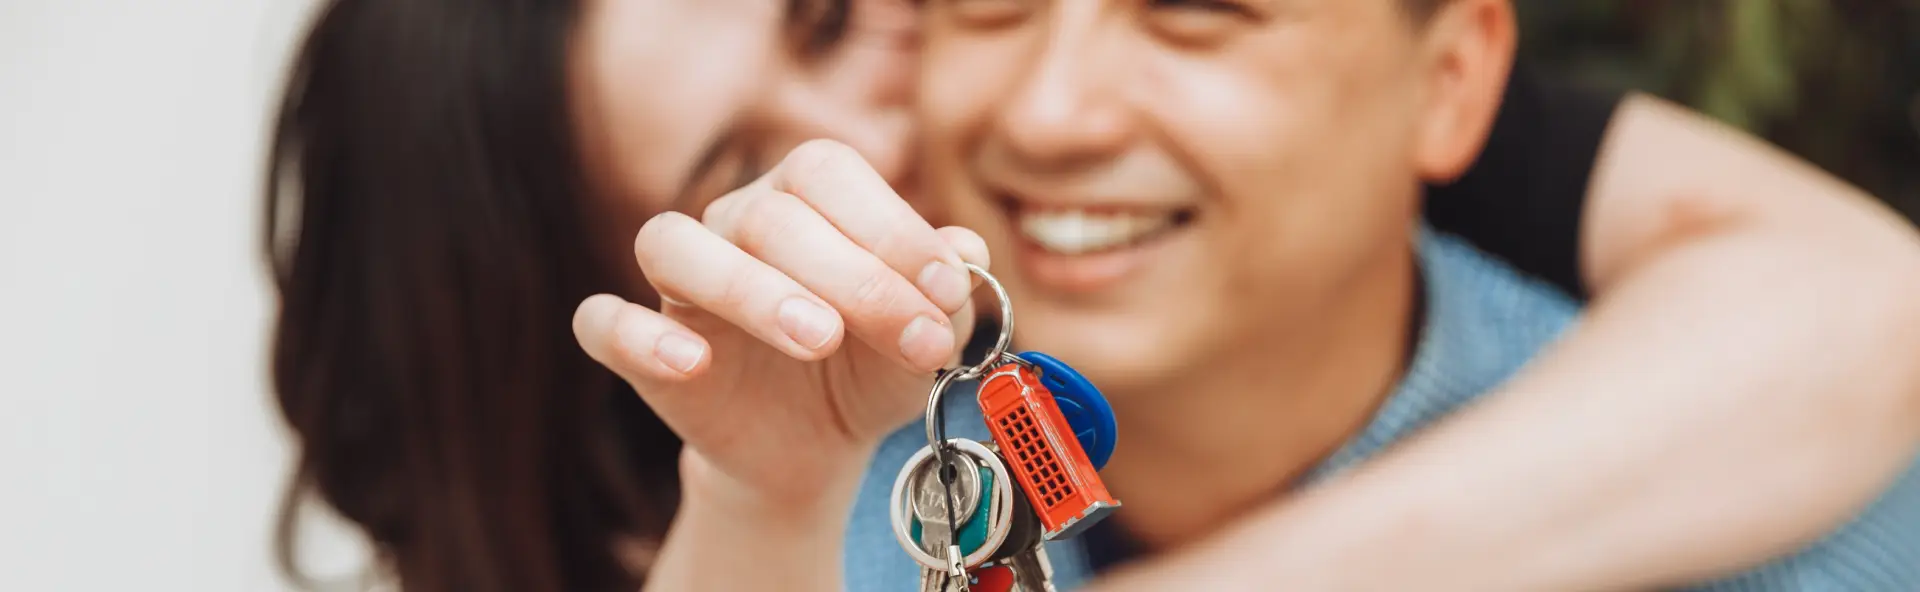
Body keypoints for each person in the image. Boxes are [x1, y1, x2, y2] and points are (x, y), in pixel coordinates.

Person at [267, 0, 1920, 590]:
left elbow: (1864, 314)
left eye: (843, 14)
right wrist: (758, 499)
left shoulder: (1764, 468)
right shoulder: (815, 512)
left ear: (1453, 83)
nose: (865, 155)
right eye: (736, 184)